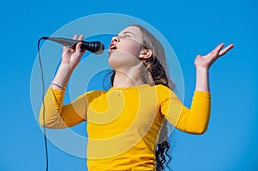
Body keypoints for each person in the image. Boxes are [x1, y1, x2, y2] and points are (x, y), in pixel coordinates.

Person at [39, 24, 234, 171]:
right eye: (116, 36)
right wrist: (66, 67)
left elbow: (196, 124)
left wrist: (202, 70)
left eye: (126, 36)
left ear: (145, 53)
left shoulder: (157, 94)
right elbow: (49, 119)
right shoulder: (93, 99)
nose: (115, 38)